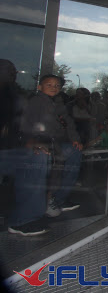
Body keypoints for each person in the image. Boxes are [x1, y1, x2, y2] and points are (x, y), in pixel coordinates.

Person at [0, 59, 50, 236]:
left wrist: (30, 141)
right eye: (8, 71)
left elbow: (20, 126)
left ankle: (24, 219)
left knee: (37, 156)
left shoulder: (14, 96)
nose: (13, 74)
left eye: (13, 71)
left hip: (9, 151)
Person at [22, 74, 83, 216]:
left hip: (57, 142)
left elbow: (69, 123)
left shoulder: (58, 104)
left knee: (74, 152)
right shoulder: (36, 102)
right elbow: (26, 124)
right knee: (52, 166)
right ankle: (46, 200)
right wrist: (31, 141)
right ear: (40, 87)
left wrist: (75, 139)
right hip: (41, 143)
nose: (53, 88)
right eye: (49, 85)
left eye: (56, 86)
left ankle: (59, 198)